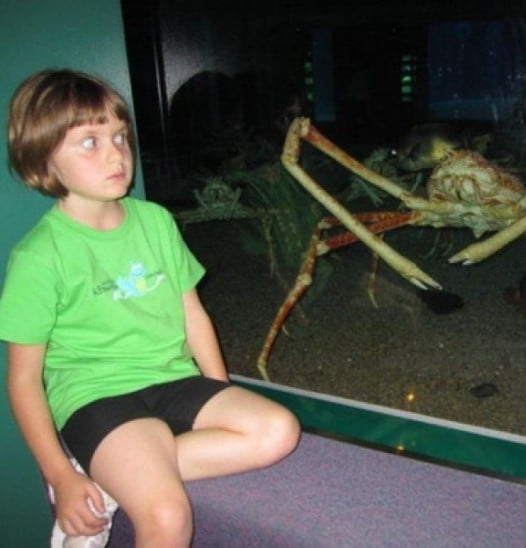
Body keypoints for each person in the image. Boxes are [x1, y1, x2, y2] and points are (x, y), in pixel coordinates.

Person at [0, 69, 301, 547]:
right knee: (166, 514)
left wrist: (215, 392)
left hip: (174, 380)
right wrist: (59, 474)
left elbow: (192, 314)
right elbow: (23, 380)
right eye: (89, 142)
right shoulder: (38, 256)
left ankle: (117, 477)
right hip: (97, 397)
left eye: (119, 136)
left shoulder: (156, 221)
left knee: (278, 431)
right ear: (43, 159)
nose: (116, 153)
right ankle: (109, 470)